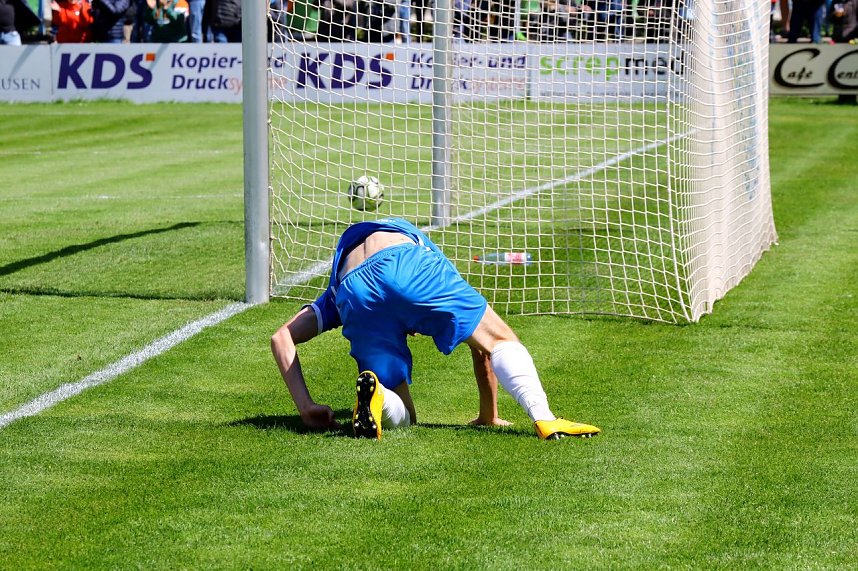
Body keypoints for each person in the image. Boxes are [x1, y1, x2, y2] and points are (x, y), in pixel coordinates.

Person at [271, 217, 601, 441]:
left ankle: (379, 398)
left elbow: (281, 337)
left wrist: (306, 408)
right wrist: (489, 415)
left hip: (354, 291)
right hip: (406, 262)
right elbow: (482, 350)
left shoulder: (333, 296)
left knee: (404, 414)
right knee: (498, 338)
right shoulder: (417, 243)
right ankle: (544, 417)